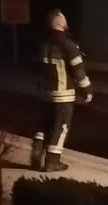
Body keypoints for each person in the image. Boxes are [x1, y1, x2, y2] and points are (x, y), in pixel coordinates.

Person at [30, 9, 93, 172]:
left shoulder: (42, 44)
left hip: (45, 94)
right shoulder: (68, 45)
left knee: (43, 125)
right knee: (60, 127)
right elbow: (78, 71)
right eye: (63, 21)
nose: (66, 24)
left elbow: (34, 69)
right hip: (63, 96)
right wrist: (87, 91)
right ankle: (52, 161)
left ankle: (36, 153)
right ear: (59, 24)